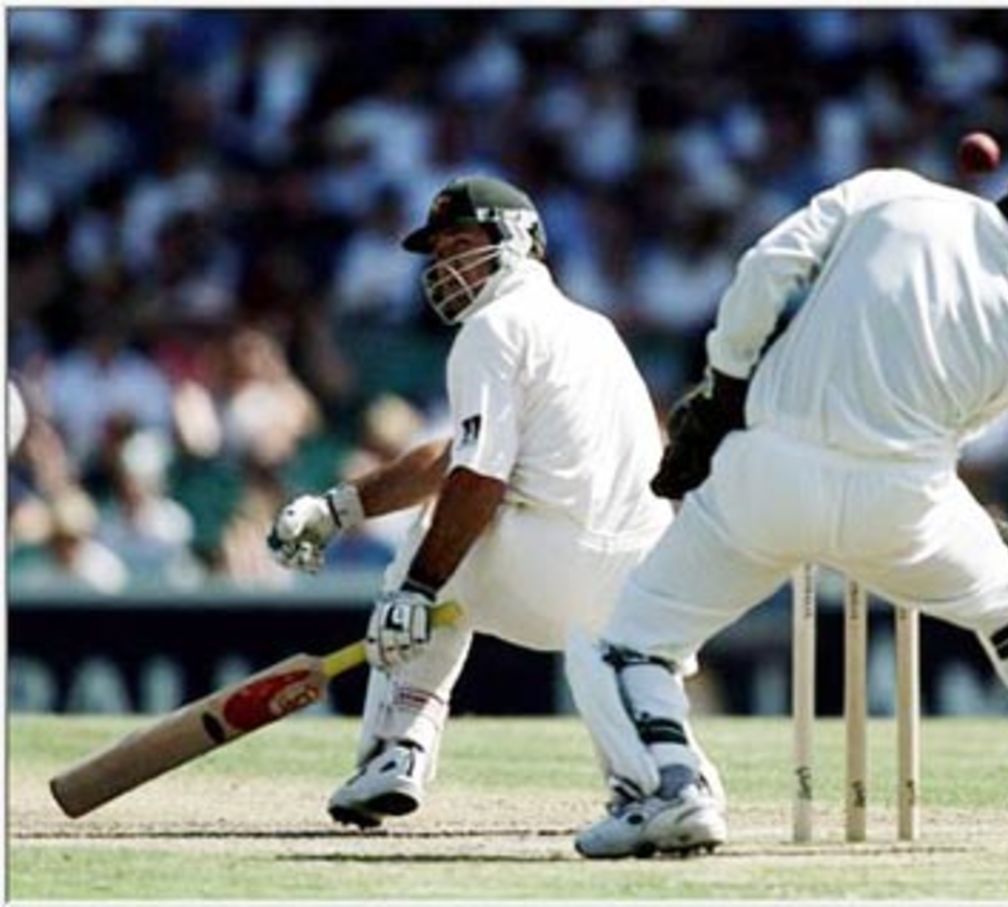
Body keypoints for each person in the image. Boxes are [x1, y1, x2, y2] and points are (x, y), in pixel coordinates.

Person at [562, 157, 1008, 858]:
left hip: (767, 476)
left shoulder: (892, 192)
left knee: (627, 641)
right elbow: (958, 431)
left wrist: (724, 386)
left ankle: (670, 789)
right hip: (905, 501)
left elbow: (768, 266)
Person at [267, 175, 719, 828]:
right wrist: (341, 507)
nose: (446, 262)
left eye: (460, 242)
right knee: (624, 682)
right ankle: (669, 780)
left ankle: (398, 748)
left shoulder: (492, 327)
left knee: (434, 537)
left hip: (559, 565)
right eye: (439, 251)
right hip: (647, 575)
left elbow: (478, 478)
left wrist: (417, 588)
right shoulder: (591, 325)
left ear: (518, 238)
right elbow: (460, 451)